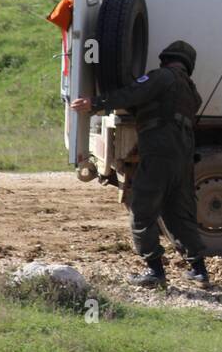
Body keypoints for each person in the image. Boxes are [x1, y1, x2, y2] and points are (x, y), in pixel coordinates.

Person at [72, 41, 208, 288]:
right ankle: (199, 270)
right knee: (179, 214)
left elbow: (132, 94)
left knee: (142, 212)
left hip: (159, 155)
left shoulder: (161, 77)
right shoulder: (192, 91)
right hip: (183, 159)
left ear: (166, 59)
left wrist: (96, 102)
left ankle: (154, 271)